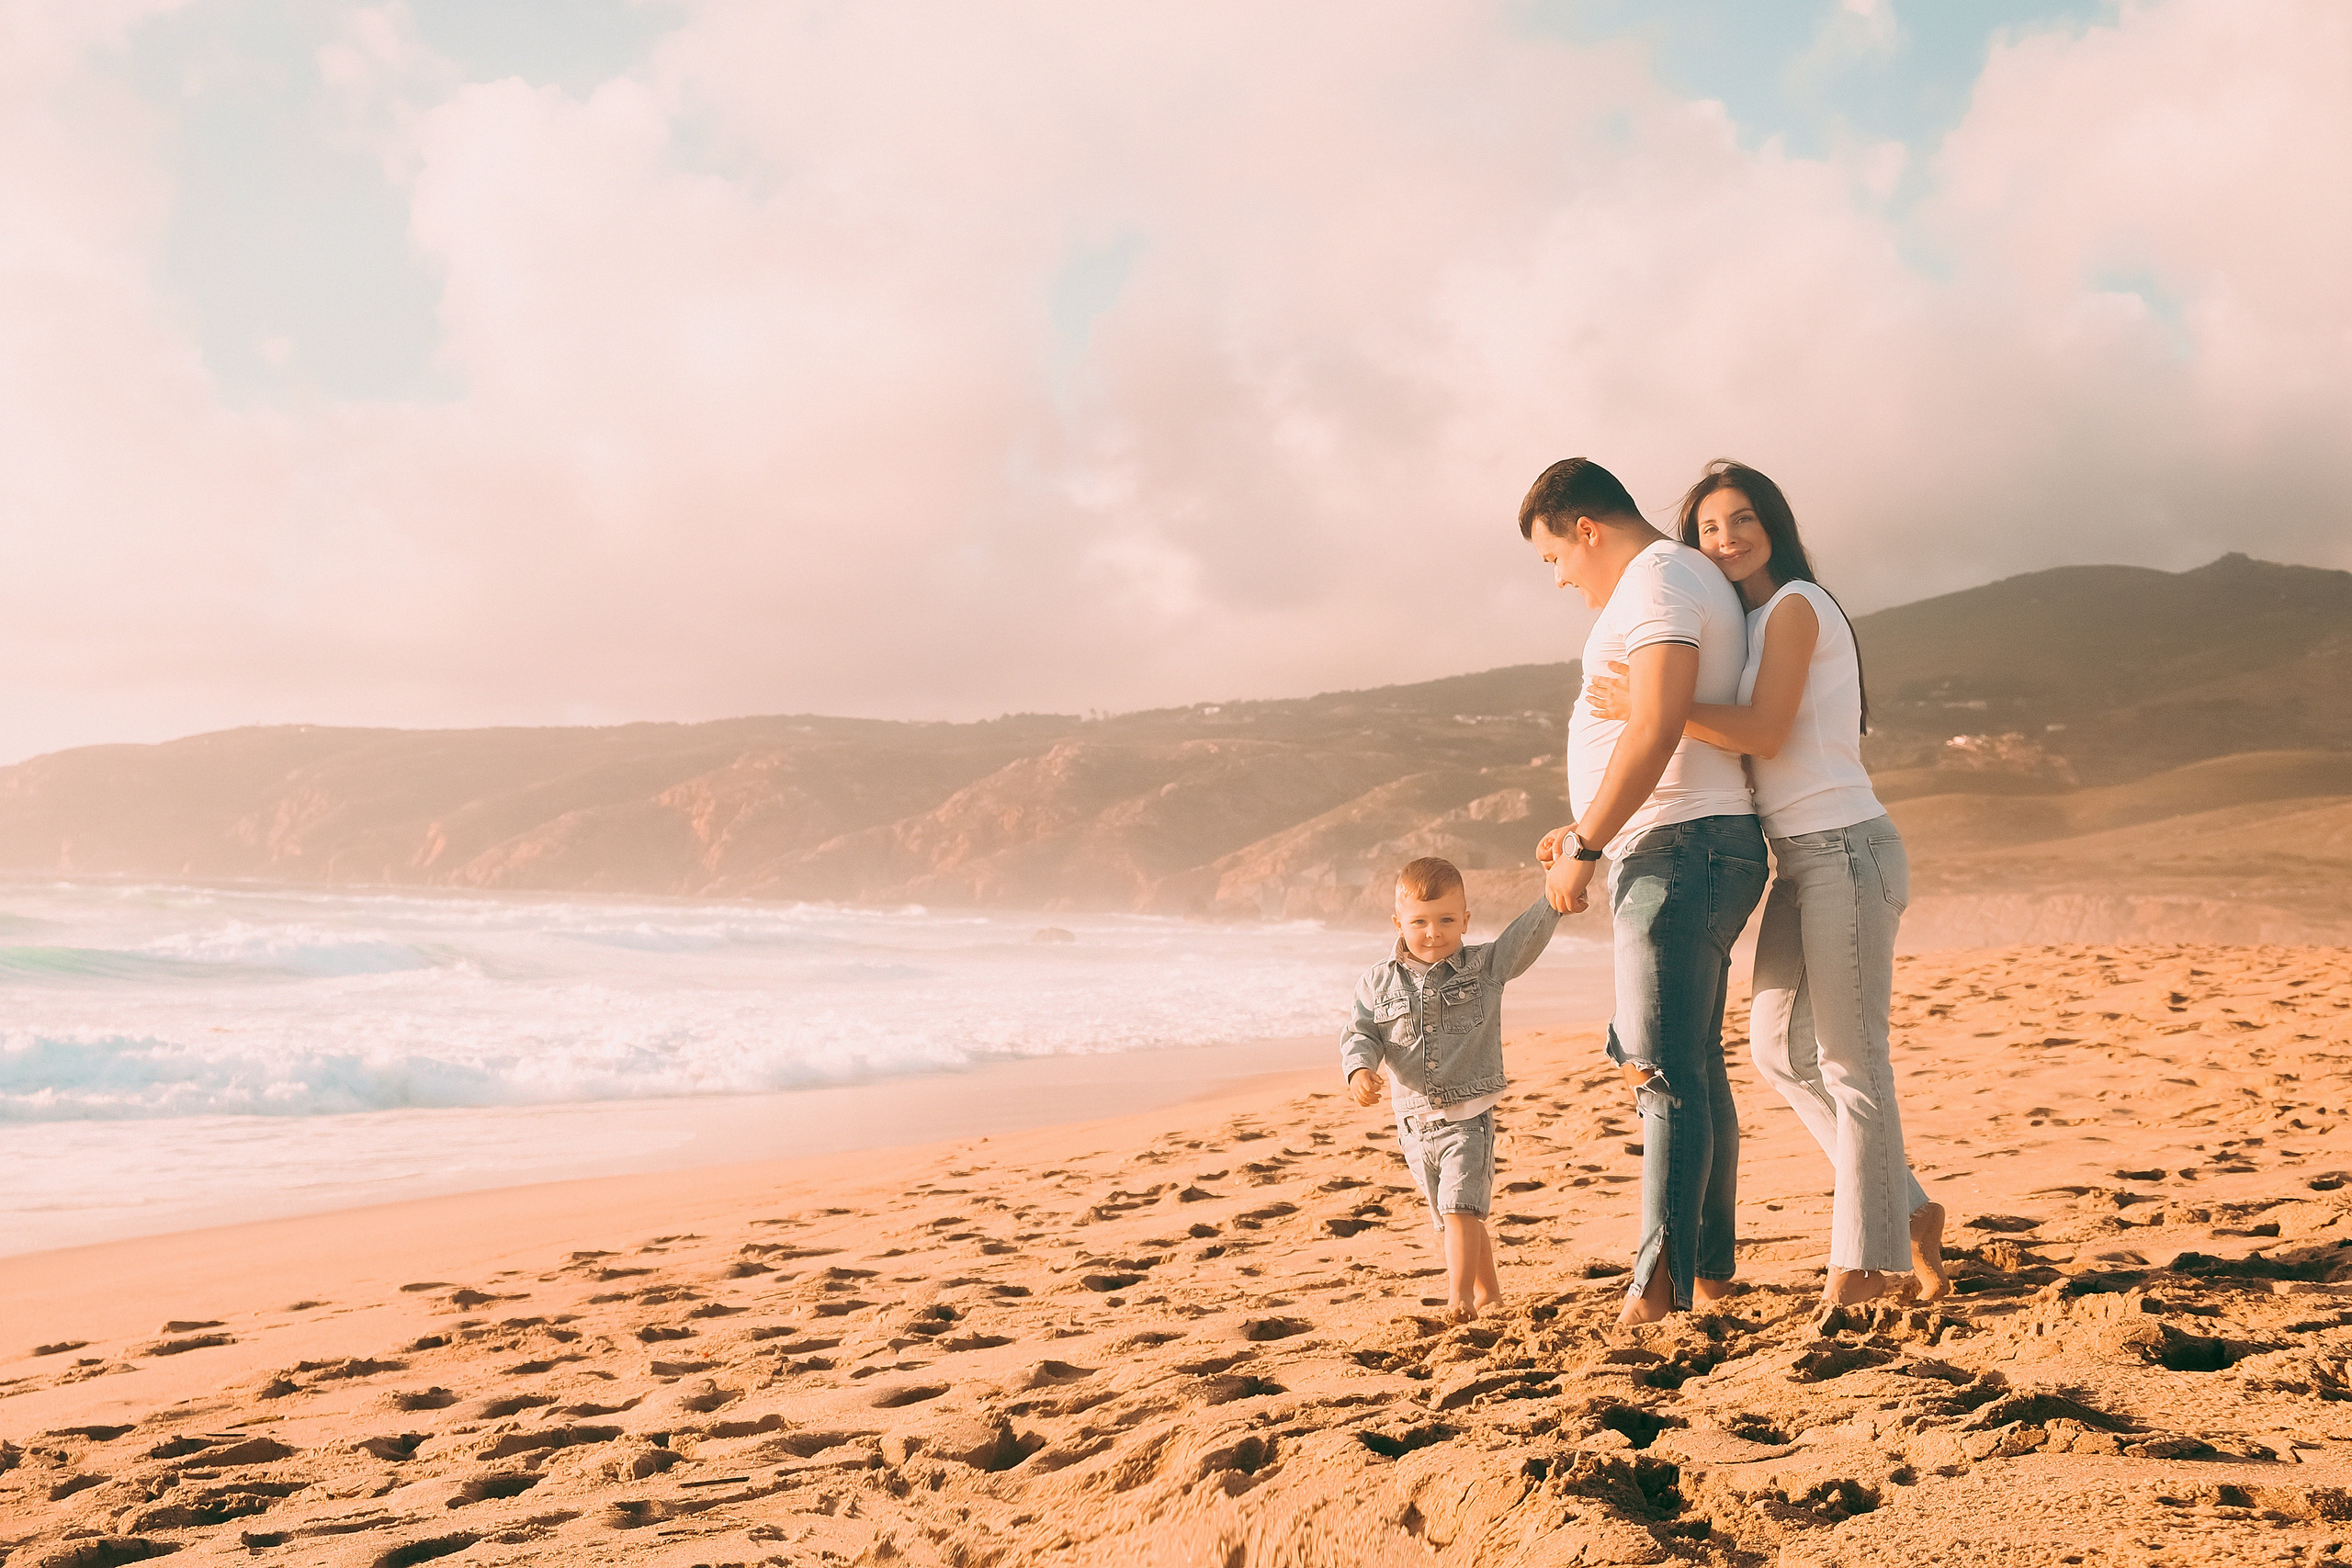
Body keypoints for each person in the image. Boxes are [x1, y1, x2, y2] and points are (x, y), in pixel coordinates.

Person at [1582, 459, 1949, 1305]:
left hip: (1848, 850)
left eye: (1742, 520)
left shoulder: (1794, 609)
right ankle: (1908, 1210)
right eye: (1708, 529)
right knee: (1779, 1051)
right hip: (1800, 858)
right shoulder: (1747, 625)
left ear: (1774, 525)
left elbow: (1769, 731)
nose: (1726, 540)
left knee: (1853, 1062)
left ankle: (1865, 1266)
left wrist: (1651, 706)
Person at [1522, 458, 1768, 1326]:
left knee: (1664, 1073)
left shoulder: (1658, 577)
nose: (1559, 580)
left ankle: (1656, 1288)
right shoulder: (1671, 579)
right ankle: (1707, 1276)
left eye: (1554, 558)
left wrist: (1589, 844)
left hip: (1681, 847)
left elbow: (1659, 722)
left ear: (1585, 528)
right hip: (1679, 839)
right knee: (1693, 1066)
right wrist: (1589, 823)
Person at [1341, 856, 1562, 1321]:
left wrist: (1554, 900)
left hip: (1467, 1116)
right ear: (1398, 921)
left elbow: (1523, 940)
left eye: (1446, 920)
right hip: (1413, 1125)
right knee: (1453, 1214)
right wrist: (1360, 1070)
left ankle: (1459, 1298)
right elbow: (1361, 1032)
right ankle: (1489, 1295)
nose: (1433, 932)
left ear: (1465, 919)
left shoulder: (1483, 968)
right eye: (1419, 921)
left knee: (1461, 1210)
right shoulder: (1377, 982)